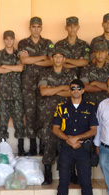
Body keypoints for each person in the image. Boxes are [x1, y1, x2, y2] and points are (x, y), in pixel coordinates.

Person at [51, 79, 98, 195]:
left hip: (83, 150)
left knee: (85, 181)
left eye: (79, 88)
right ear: (69, 90)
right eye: (73, 88)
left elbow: (94, 130)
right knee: (63, 180)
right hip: (66, 149)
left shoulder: (90, 107)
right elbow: (55, 128)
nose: (76, 90)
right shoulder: (61, 107)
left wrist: (76, 138)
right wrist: (68, 139)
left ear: (83, 90)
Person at [38, 46, 76, 184]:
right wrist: (62, 88)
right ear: (51, 58)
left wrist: (52, 89)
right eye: (55, 56)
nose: (58, 59)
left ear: (64, 59)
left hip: (67, 113)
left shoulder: (71, 75)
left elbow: (73, 92)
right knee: (49, 141)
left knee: (69, 139)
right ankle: (47, 172)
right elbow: (43, 92)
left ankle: (71, 172)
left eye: (61, 56)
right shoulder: (44, 74)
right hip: (49, 113)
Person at [18, 17, 54, 155]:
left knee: (44, 115)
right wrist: (41, 57)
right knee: (30, 115)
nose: (36, 29)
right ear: (29, 28)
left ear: (42, 28)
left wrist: (31, 60)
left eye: (39, 26)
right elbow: (24, 60)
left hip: (44, 85)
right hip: (28, 86)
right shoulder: (23, 43)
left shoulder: (48, 43)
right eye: (33, 26)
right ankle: (33, 146)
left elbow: (51, 62)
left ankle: (43, 145)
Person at [0, 30, 26, 155]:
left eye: (11, 39)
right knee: (3, 122)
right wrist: (12, 68)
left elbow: (21, 68)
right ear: (4, 40)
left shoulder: (19, 54)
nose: (9, 41)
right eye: (6, 39)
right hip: (3, 94)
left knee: (19, 122)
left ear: (14, 40)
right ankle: (3, 147)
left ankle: (21, 147)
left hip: (17, 94)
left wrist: (5, 66)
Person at [81, 42, 109, 108]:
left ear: (107, 53)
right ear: (94, 53)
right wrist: (105, 87)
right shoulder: (87, 68)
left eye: (102, 51)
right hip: (89, 106)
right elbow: (84, 87)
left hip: (108, 105)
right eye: (97, 52)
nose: (100, 54)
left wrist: (95, 83)